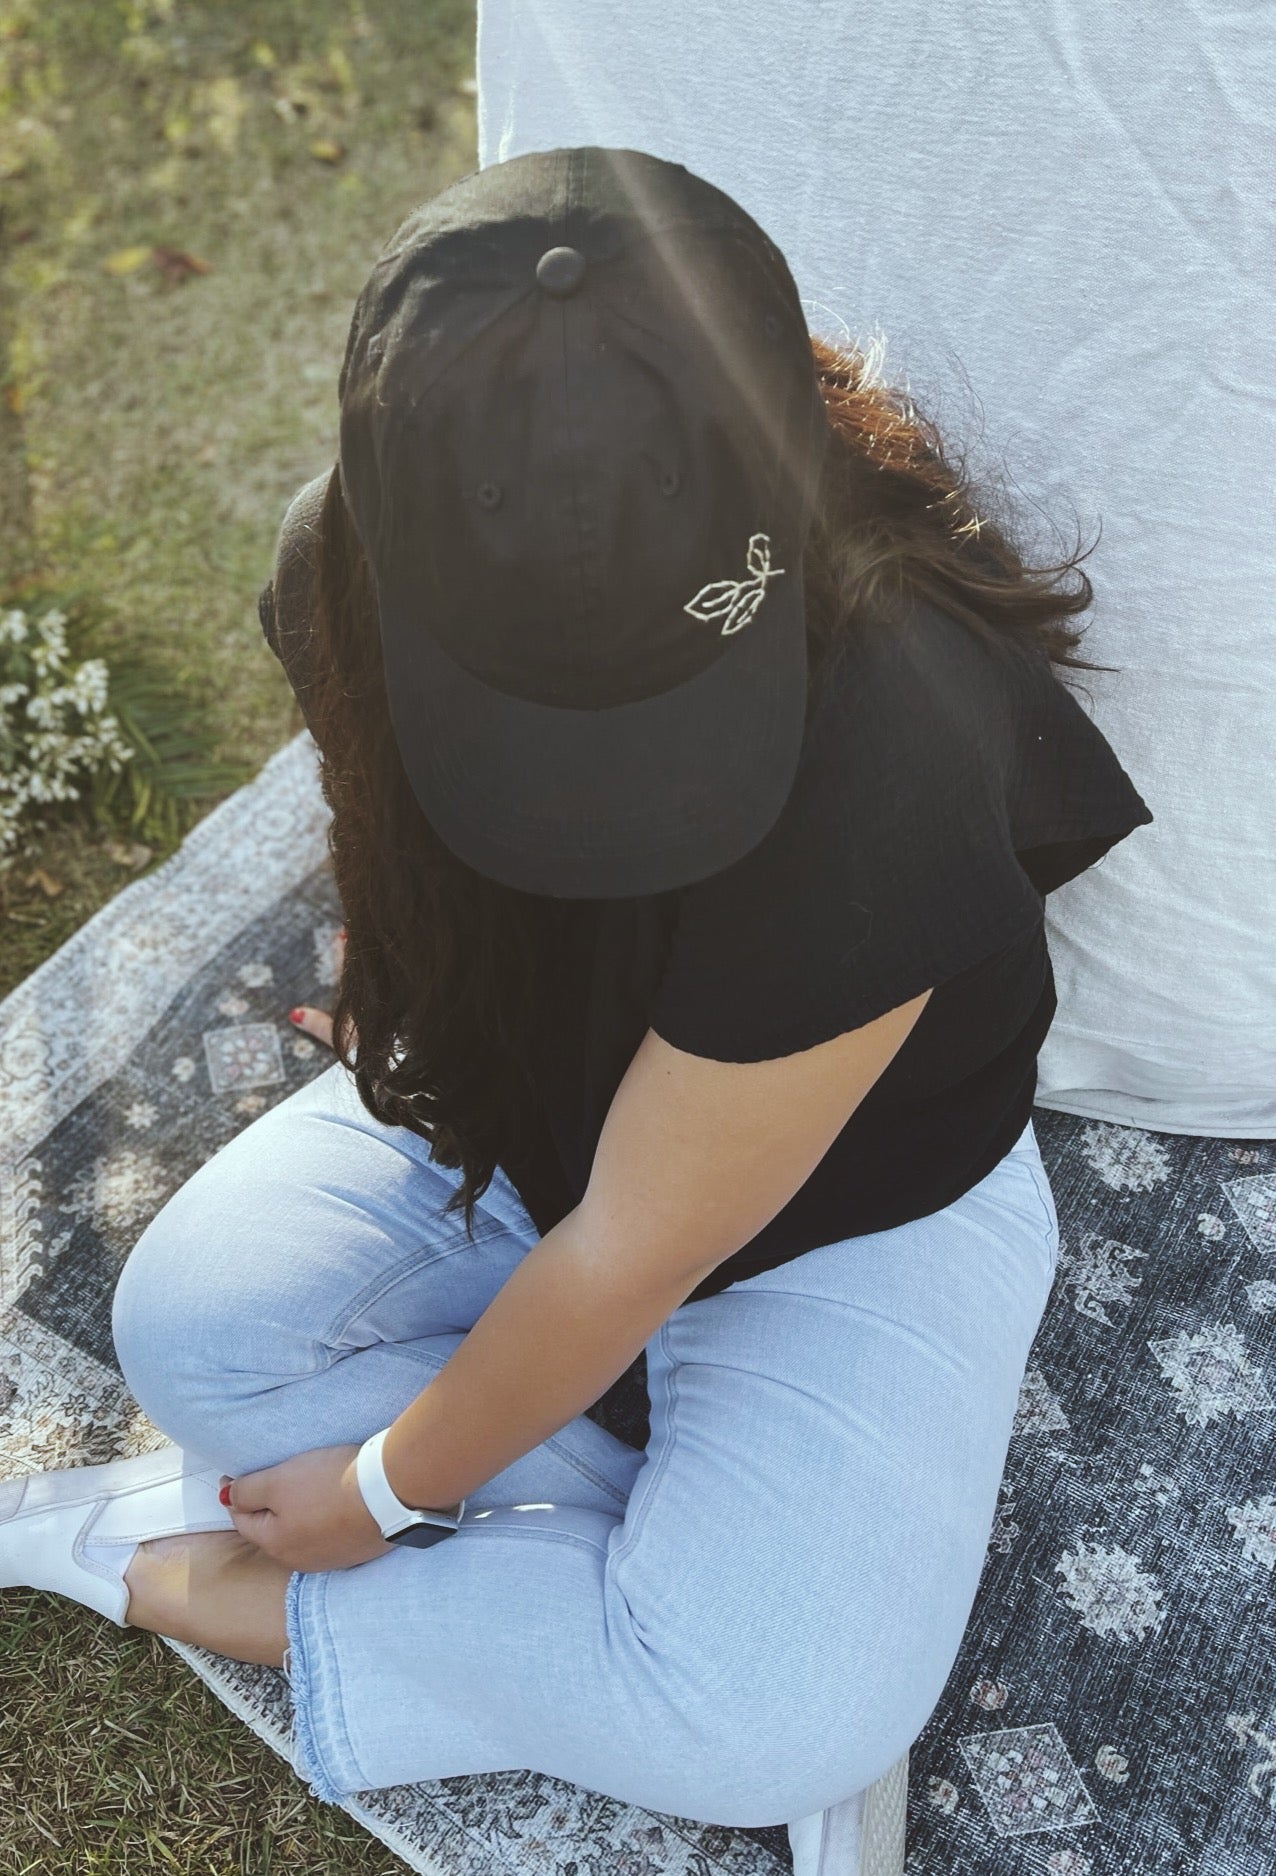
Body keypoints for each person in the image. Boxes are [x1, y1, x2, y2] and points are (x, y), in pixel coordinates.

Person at [1, 148, 1152, 1842]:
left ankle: (177, 1576)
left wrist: (392, 1492)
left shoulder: (906, 720)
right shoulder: (347, 566)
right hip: (536, 1110)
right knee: (190, 1331)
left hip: (859, 1207)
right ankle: (682, 1587)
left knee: (767, 1717)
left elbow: (640, 1244)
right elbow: (418, 900)